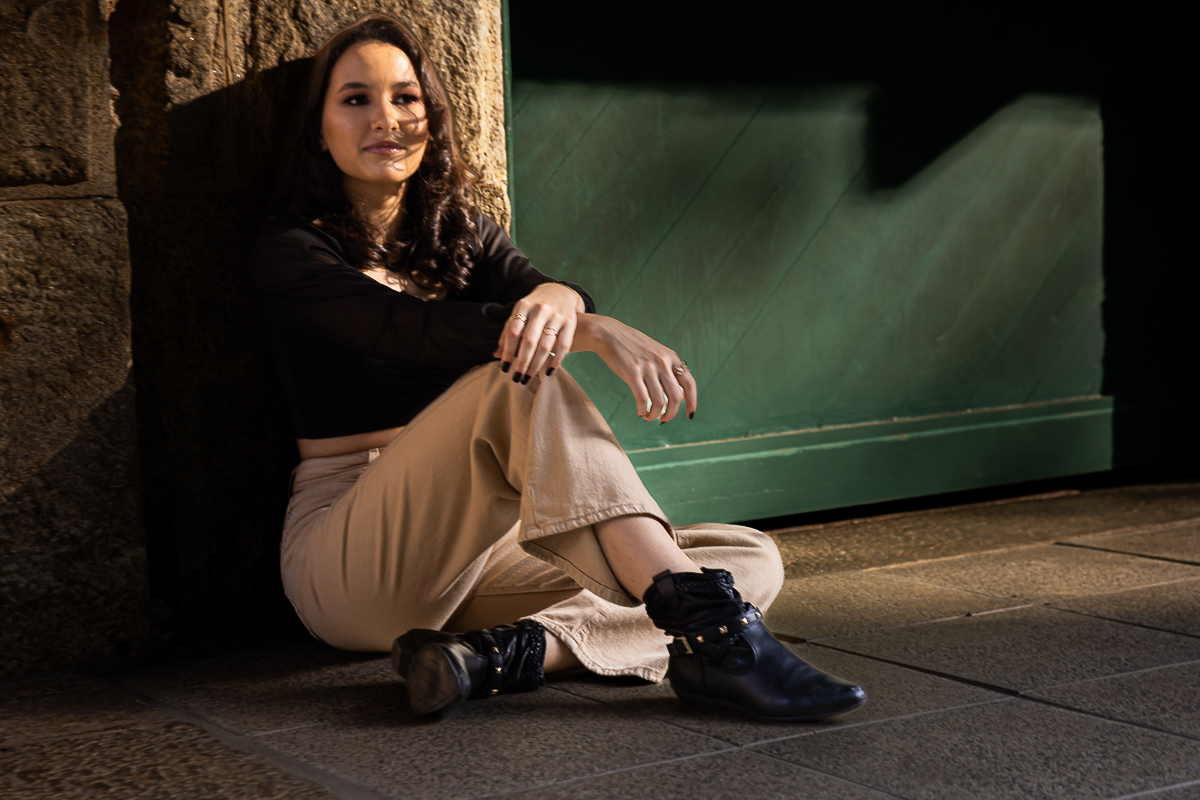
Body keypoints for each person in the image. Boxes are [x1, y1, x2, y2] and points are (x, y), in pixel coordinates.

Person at [248, 13, 865, 721]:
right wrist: (591, 327)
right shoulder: (289, 250)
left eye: (406, 97)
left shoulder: (459, 235)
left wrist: (565, 297)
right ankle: (717, 638)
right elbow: (405, 332)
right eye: (356, 99)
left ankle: (496, 657)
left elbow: (539, 289)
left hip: (474, 554)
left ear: (432, 114)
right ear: (318, 126)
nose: (386, 119)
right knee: (517, 378)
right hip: (354, 557)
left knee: (748, 556)